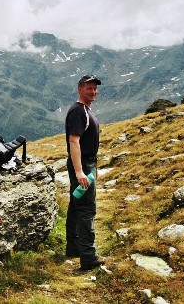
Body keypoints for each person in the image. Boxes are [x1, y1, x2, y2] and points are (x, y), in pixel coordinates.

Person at [65, 74, 105, 270]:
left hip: (88, 165)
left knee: (75, 205)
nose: (93, 91)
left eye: (95, 88)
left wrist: (92, 170)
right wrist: (80, 172)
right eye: (89, 88)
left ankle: (73, 248)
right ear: (80, 89)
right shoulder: (77, 112)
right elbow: (74, 141)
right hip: (82, 165)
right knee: (86, 209)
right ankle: (88, 258)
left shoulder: (86, 111)